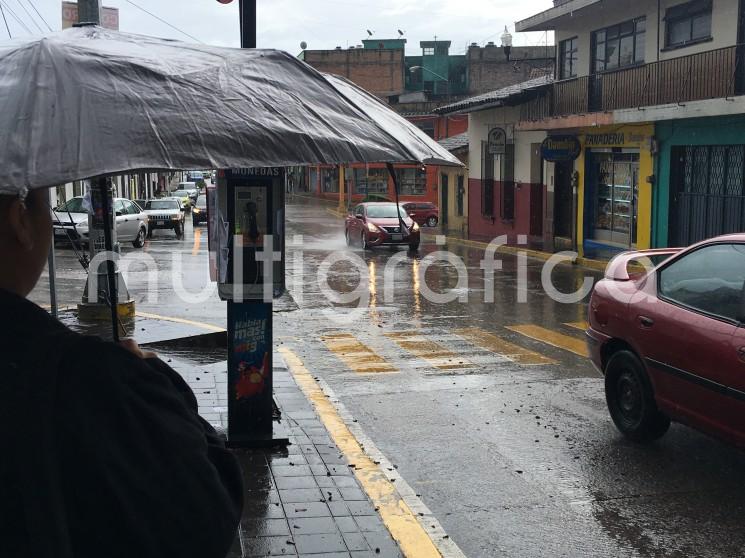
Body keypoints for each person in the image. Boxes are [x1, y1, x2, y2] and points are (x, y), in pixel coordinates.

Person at [0, 187, 243, 557]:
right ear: (20, 220)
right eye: (46, 208)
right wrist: (155, 379)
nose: (51, 222)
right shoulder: (82, 378)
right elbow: (207, 517)